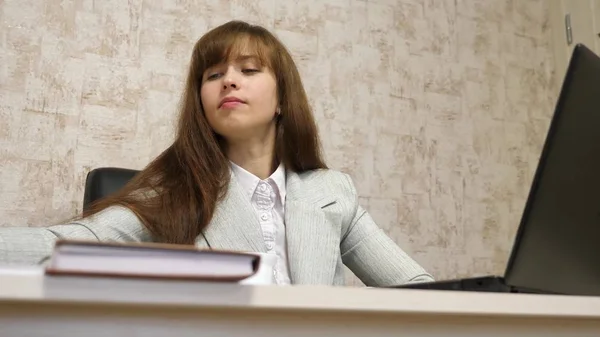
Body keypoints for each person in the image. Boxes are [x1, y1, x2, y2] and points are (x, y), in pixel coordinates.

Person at [0, 20, 434, 287]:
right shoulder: (173, 192)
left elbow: (414, 287)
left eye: (248, 70)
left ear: (283, 99)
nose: (229, 81)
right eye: (213, 74)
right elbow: (67, 243)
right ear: (201, 102)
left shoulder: (332, 192)